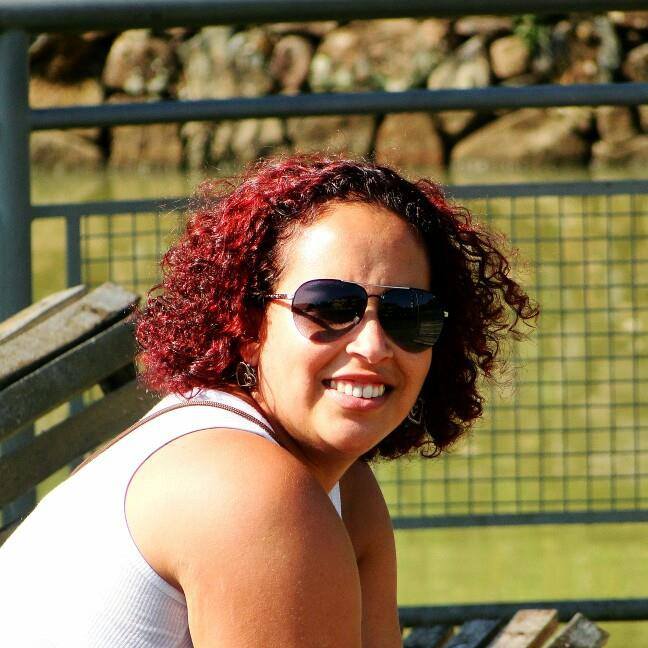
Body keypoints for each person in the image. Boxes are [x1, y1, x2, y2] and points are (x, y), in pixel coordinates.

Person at [0, 155, 537, 647]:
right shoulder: (248, 492)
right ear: (250, 326)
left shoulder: (344, 489)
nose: (373, 345)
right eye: (329, 307)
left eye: (409, 314)